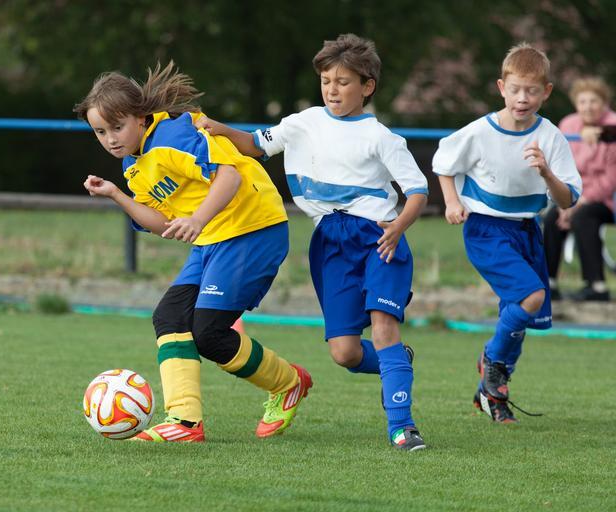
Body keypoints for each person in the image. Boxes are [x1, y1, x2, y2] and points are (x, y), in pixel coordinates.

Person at [196, 34, 429, 451]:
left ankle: (403, 427)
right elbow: (255, 145)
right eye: (326, 81)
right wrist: (217, 128)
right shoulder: (302, 123)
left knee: (383, 327)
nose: (332, 90)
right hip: (330, 242)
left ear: (367, 86)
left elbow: (417, 191)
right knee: (345, 353)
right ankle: (397, 362)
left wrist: (398, 227)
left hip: (379, 238)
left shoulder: (381, 137)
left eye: (343, 82)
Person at [75, 62, 312, 443]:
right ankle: (184, 422)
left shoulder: (173, 135)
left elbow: (230, 175)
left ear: (140, 117)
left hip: (253, 228)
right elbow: (162, 223)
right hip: (214, 237)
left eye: (117, 127)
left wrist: (198, 219)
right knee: (169, 316)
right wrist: (116, 194)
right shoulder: (134, 165)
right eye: (100, 132)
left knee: (208, 333)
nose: (110, 139)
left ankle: (288, 383)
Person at [432, 43, 582, 424]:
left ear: (546, 92)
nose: (522, 98)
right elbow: (443, 162)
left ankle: (491, 395)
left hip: (527, 231)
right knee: (532, 296)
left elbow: (567, 199)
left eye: (532, 91)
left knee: (519, 317)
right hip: (486, 230)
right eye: (515, 89)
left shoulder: (551, 138)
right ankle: (492, 360)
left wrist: (546, 172)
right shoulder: (481, 132)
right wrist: (451, 202)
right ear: (502, 87)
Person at [543, 77, 616, 302]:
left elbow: (611, 178)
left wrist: (579, 201)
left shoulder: (612, 125)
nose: (588, 107)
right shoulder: (568, 125)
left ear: (604, 103)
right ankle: (549, 283)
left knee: (584, 217)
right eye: (583, 102)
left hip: (606, 198)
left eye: (594, 101)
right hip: (573, 194)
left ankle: (597, 286)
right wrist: (566, 203)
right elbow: (563, 167)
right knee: (552, 218)